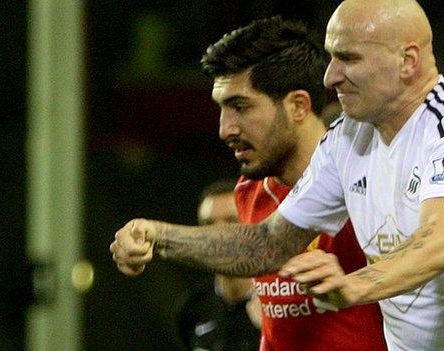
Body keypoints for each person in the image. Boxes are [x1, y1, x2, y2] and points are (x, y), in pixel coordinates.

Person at [110, 1, 444, 350]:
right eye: (332, 57)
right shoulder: (346, 138)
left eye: (349, 58)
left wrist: (353, 286)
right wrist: (158, 236)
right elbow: (265, 245)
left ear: (409, 61)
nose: (330, 76)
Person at [114, 16, 386, 351]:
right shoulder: (250, 191)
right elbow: (257, 250)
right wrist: (151, 235)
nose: (225, 129)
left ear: (298, 105)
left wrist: (160, 236)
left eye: (240, 107)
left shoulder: (367, 179)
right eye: (222, 109)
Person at [177, 179, 260, 351]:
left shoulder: (282, 305)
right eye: (208, 224)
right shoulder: (193, 307)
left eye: (232, 221)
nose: (218, 234)